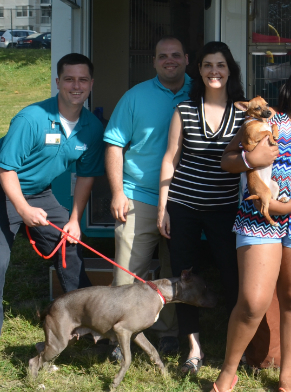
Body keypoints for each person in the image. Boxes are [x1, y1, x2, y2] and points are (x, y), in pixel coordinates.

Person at [0, 53, 104, 379]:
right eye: (69, 79)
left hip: (38, 192)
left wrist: (73, 219)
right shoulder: (31, 118)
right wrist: (24, 210)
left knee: (68, 245)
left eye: (82, 80)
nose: (76, 86)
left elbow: (86, 175)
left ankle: (87, 326)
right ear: (57, 82)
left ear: (91, 84)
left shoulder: (91, 127)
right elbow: (6, 168)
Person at [214, 60, 291, 392]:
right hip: (258, 217)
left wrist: (285, 206)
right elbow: (227, 160)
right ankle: (228, 373)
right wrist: (247, 160)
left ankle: (287, 378)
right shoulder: (265, 119)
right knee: (254, 301)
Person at [157, 41, 246, 375]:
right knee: (184, 279)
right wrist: (162, 207)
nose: (214, 71)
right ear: (200, 70)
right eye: (208, 65)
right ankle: (194, 349)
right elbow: (171, 158)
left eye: (220, 65)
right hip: (183, 206)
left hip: (225, 208)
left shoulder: (242, 112)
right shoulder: (184, 110)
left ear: (230, 70)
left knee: (232, 275)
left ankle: (238, 347)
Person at [103, 36, 191, 355]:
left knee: (172, 272)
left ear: (186, 59)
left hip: (183, 199)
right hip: (138, 195)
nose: (170, 60)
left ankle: (168, 332)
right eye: (163, 56)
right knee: (128, 271)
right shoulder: (135, 97)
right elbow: (114, 144)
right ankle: (119, 336)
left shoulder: (199, 93)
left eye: (176, 55)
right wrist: (117, 193)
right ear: (154, 62)